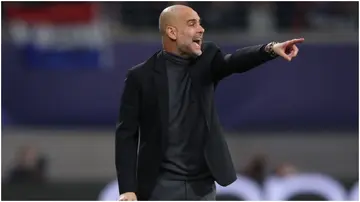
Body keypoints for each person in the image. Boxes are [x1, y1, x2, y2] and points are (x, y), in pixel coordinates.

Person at [115, 4, 304, 201]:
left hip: (202, 186)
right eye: (192, 23)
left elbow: (234, 62)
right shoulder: (141, 76)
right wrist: (127, 188)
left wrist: (270, 50)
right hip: (159, 186)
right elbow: (126, 135)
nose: (201, 29)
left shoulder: (207, 58)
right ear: (172, 32)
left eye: (200, 23)